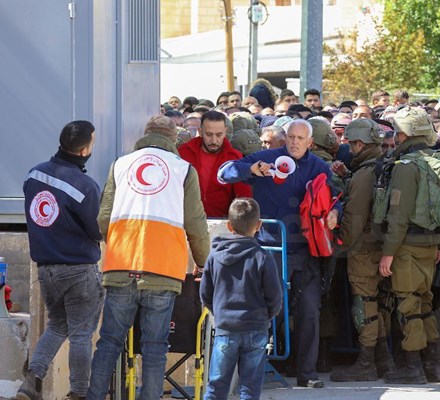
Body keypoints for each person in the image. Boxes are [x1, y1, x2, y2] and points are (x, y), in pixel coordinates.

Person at [87, 116, 211, 400]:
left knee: (109, 342)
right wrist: (202, 260)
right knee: (155, 346)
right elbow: (195, 221)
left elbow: (104, 218)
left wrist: (119, 242)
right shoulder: (183, 170)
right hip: (163, 269)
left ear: (145, 135)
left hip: (120, 264)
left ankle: (93, 396)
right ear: (173, 139)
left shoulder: (120, 164)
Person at [218, 119, 341, 389]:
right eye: (291, 137)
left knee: (310, 312)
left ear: (311, 143)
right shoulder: (268, 159)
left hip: (306, 251)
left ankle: (307, 374)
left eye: (300, 138)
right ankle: (253, 374)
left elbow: (335, 197)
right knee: (264, 313)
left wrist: (335, 213)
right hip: (269, 250)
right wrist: (252, 169)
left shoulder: (319, 167)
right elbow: (224, 172)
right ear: (285, 138)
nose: (295, 142)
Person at [20, 120, 104, 400]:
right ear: (84, 150)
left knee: (57, 326)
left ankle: (31, 381)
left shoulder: (34, 174)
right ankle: (79, 393)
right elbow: (98, 230)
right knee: (81, 334)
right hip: (79, 270)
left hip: (46, 270)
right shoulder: (85, 186)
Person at [379, 107, 440, 385]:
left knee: (407, 305)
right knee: (425, 302)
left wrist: (388, 253)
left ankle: (412, 367)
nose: (395, 137)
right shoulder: (436, 161)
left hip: (407, 246)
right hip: (431, 243)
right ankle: (432, 366)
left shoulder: (406, 167)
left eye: (397, 132)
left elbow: (397, 216)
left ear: (405, 134)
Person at [329, 119, 397, 382]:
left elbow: (354, 218)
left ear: (359, 144)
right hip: (384, 247)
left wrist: (340, 241)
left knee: (364, 305)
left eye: (351, 144)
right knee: (379, 305)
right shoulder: (387, 167)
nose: (349, 148)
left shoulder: (363, 174)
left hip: (363, 250)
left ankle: (365, 364)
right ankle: (385, 361)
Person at [201, 198, 283, 400]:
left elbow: (205, 294)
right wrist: (267, 316)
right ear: (259, 225)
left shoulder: (215, 256)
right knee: (250, 389)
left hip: (226, 329)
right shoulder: (263, 257)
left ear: (229, 226)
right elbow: (275, 297)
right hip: (256, 328)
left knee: (216, 387)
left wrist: (220, 313)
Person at [178, 111, 252, 217]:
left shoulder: (234, 157)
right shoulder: (184, 152)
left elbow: (243, 197)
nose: (214, 140)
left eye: (219, 135)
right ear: (200, 131)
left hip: (222, 222)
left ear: (225, 132)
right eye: (209, 134)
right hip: (187, 220)